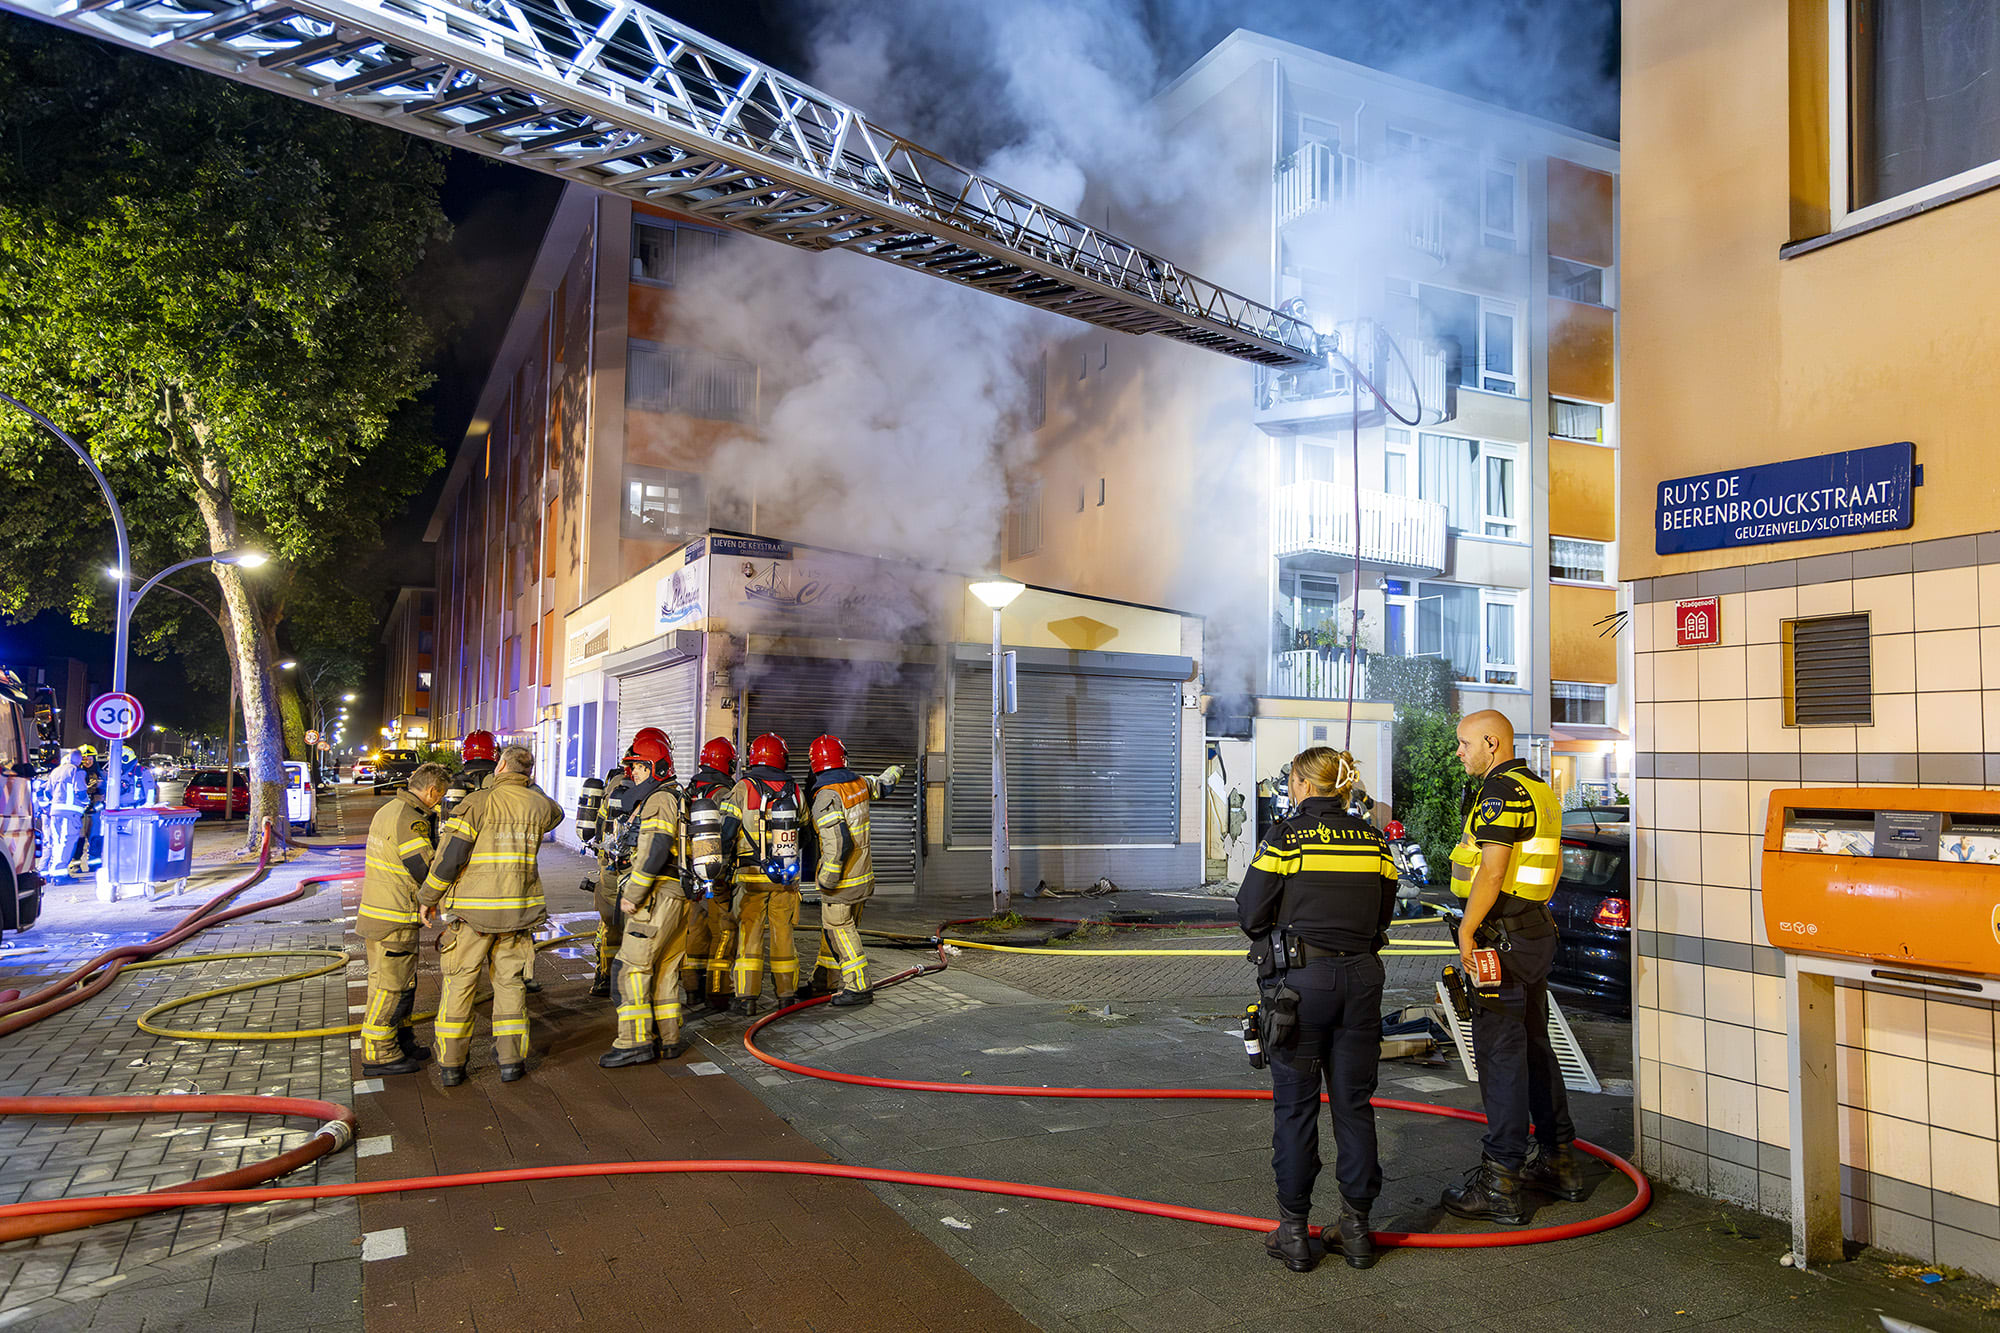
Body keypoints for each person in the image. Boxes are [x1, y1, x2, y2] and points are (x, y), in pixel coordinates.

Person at [1235, 746, 1400, 1273]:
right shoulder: (1374, 838)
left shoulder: (1285, 837)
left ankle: (1293, 1233)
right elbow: (1385, 912)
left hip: (1299, 990)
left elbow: (1249, 911)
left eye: (1291, 780)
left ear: (1305, 785)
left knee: (1296, 1106)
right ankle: (1355, 1229)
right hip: (1361, 983)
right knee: (1354, 1105)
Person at [1441, 709, 1581, 1224]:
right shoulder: (1540, 790)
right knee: (1536, 1049)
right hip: (1532, 932)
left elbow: (1493, 869)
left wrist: (1468, 929)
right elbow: (1555, 863)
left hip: (1500, 938)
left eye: (1464, 743)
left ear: (1491, 743)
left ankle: (1500, 1182)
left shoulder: (1500, 793)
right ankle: (1559, 1160)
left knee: (1500, 1056)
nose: (1459, 752)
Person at [417, 744, 564, 1085]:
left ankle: (452, 1066)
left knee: (460, 985)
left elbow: (451, 856)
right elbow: (555, 812)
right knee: (511, 986)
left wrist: (428, 896)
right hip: (517, 914)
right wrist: (526, 782)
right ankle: (512, 1062)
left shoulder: (479, 802)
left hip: (473, 915)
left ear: (499, 766)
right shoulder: (539, 804)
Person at [598, 732, 697, 1067]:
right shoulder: (677, 795)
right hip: (677, 896)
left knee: (632, 968)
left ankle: (634, 1042)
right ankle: (669, 1039)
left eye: (638, 766)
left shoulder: (658, 800)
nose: (633, 773)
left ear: (656, 766)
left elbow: (655, 849)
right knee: (666, 969)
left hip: (656, 898)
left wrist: (633, 894)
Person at [358, 763, 449, 1076]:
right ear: (431, 790)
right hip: (393, 916)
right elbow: (424, 867)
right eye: (441, 795)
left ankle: (401, 1041)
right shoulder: (411, 820)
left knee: (403, 984)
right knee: (390, 988)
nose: (439, 802)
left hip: (384, 912)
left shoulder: (391, 808)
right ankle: (378, 1052)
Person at [801, 734, 902, 1008]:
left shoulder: (826, 796)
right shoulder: (857, 783)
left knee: (841, 932)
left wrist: (826, 879)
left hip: (842, 882)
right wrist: (895, 770)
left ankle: (858, 986)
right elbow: (883, 785)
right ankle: (824, 980)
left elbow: (839, 842)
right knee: (832, 931)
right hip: (863, 878)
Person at [727, 733, 804, 1016]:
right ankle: (787, 996)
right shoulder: (794, 790)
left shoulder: (743, 788)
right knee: (784, 934)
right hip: (785, 878)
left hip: (750, 876)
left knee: (750, 935)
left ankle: (746, 998)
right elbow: (805, 831)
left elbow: (726, 830)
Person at [680, 737, 742, 1011]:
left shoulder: (689, 789)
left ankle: (692, 988)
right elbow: (727, 834)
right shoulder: (723, 793)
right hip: (717, 871)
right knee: (725, 929)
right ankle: (718, 990)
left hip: (690, 871)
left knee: (695, 928)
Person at [586, 760, 635, 997]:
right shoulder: (652, 791)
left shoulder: (612, 789)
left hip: (609, 867)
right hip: (634, 869)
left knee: (609, 923)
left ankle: (605, 977)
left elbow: (598, 828)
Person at [41, 749, 84, 882]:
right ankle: (60, 875)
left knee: (57, 842)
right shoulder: (76, 771)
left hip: (55, 812)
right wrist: (86, 802)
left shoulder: (55, 771)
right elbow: (81, 791)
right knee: (67, 842)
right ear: (79, 760)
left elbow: (47, 792)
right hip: (69, 813)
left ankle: (53, 872)